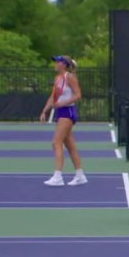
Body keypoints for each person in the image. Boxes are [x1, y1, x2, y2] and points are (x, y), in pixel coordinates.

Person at [40, 55, 87, 186]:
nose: (55, 63)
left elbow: (78, 95)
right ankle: (80, 175)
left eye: (57, 62)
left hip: (68, 112)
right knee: (70, 146)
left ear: (64, 64)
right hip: (60, 113)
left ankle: (58, 177)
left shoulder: (69, 77)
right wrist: (45, 110)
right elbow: (53, 96)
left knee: (56, 143)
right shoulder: (57, 79)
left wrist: (63, 103)